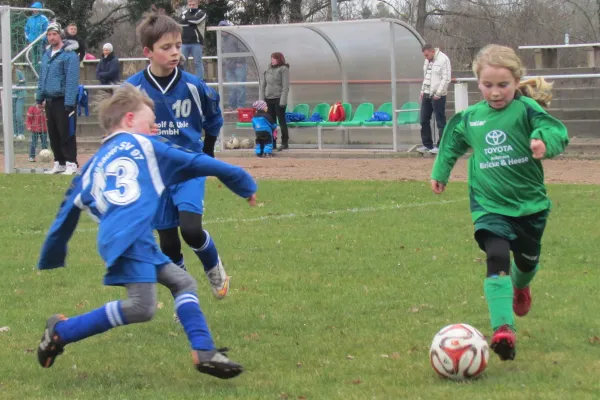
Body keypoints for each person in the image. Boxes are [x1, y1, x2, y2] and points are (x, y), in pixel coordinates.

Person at [35, 83, 257, 378]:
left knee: (183, 282)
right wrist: (243, 182)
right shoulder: (147, 146)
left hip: (120, 235)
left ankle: (204, 349)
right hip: (132, 234)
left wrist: (53, 250)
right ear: (129, 120)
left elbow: (69, 206)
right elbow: (196, 161)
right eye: (151, 124)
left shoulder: (92, 163)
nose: (155, 130)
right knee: (142, 307)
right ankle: (62, 331)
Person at [430, 44, 569, 361]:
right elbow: (451, 142)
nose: (495, 92)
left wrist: (543, 141)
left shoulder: (526, 110)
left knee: (526, 263)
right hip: (489, 205)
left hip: (530, 207)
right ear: (478, 83)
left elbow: (555, 130)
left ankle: (522, 287)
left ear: (517, 82)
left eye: (503, 85)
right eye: (487, 85)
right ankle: (503, 329)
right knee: (496, 256)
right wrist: (441, 171)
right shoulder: (472, 118)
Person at [125, 14, 228, 300]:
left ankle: (214, 267)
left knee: (191, 230)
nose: (175, 53)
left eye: (178, 46)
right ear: (148, 52)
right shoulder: (132, 90)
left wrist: (205, 155)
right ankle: (184, 297)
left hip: (187, 168)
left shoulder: (194, 86)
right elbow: (120, 128)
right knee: (168, 242)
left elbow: (213, 119)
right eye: (166, 47)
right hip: (154, 174)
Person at [35, 23, 80, 175]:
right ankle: (59, 162)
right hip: (49, 100)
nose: (51, 37)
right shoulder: (46, 56)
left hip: (63, 100)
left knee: (66, 132)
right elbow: (42, 79)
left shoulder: (70, 55)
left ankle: (71, 163)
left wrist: (69, 102)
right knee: (53, 134)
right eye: (49, 35)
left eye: (54, 34)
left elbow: (72, 79)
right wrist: (39, 98)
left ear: (60, 35)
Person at [417, 44, 451, 155]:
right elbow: (426, 76)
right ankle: (427, 144)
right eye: (424, 56)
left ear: (432, 51)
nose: (426, 57)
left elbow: (446, 78)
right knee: (423, 119)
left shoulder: (443, 59)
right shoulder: (427, 60)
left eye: (427, 55)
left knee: (440, 120)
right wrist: (422, 91)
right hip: (427, 94)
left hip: (437, 95)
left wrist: (438, 93)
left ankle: (441, 145)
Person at [261, 52, 290, 151]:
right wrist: (262, 101)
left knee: (281, 121)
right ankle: (272, 143)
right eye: (271, 58)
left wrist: (283, 101)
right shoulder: (267, 70)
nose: (272, 60)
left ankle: (284, 142)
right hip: (269, 99)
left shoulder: (283, 69)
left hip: (279, 99)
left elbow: (285, 86)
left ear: (279, 59)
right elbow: (263, 87)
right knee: (271, 122)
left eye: (274, 58)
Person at [219, 20, 247, 110]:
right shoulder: (221, 40)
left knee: (240, 87)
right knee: (231, 87)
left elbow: (243, 49)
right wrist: (225, 63)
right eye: (221, 28)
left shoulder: (235, 37)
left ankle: (240, 106)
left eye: (224, 27)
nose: (223, 30)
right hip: (229, 67)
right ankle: (232, 106)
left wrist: (239, 61)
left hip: (240, 66)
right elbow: (221, 53)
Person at [177, 0, 207, 78]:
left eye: (193, 4)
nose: (191, 6)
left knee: (198, 63)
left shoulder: (201, 13)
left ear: (197, 4)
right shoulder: (184, 13)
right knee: (182, 63)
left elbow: (197, 20)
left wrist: (186, 20)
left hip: (196, 42)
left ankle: (200, 81)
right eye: (190, 5)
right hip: (184, 43)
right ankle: (182, 80)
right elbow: (179, 22)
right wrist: (190, 22)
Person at [25, 2, 49, 74]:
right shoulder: (30, 19)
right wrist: (28, 38)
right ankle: (35, 73)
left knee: (42, 57)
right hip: (32, 41)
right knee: (34, 58)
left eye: (36, 9)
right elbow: (26, 29)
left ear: (40, 9)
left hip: (41, 41)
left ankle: (43, 73)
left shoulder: (44, 19)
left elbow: (47, 30)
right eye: (33, 9)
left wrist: (43, 38)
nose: (34, 10)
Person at [12, 65, 26, 141]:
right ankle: (15, 132)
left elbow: (24, 82)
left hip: (20, 95)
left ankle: (21, 133)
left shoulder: (18, 72)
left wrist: (18, 84)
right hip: (10, 96)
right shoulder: (4, 73)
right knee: (13, 116)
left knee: (18, 115)